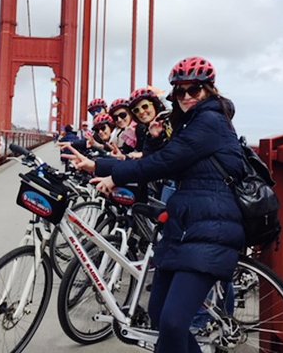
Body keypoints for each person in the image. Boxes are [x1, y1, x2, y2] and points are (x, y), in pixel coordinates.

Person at [63, 56, 245, 353]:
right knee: (160, 315)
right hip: (184, 223)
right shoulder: (188, 123)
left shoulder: (210, 121)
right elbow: (162, 160)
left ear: (209, 90)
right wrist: (151, 143)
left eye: (194, 90)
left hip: (212, 223)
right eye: (180, 91)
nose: (186, 97)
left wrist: (99, 168)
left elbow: (165, 163)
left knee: (173, 322)